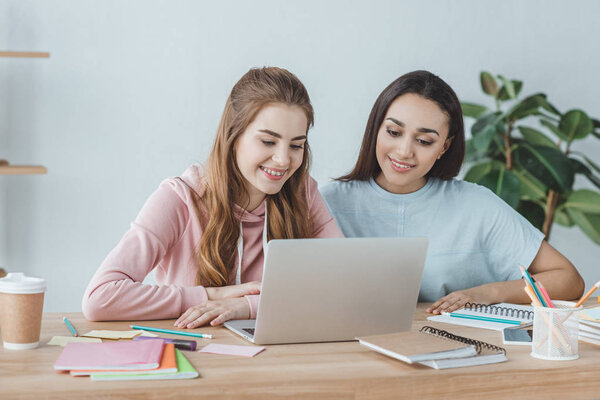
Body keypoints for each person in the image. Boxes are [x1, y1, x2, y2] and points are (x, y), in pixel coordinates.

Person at [82, 67, 343, 327]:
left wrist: (246, 305)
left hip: (276, 357)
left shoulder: (303, 192)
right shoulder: (180, 199)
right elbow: (100, 297)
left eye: (296, 145)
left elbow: (342, 284)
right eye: (267, 142)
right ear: (233, 136)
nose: (284, 159)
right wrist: (209, 296)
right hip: (199, 355)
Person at [320, 70, 584, 314]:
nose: (404, 151)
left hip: (452, 350)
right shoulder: (327, 202)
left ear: (444, 148)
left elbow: (568, 279)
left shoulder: (476, 205)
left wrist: (487, 293)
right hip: (350, 352)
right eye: (393, 132)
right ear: (376, 128)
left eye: (424, 141)